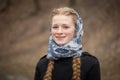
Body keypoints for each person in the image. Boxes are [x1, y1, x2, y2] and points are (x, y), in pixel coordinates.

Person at [34, 7, 101, 80]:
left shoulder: (90, 63)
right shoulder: (42, 64)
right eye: (55, 27)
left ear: (76, 30)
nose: (59, 32)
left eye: (65, 27)